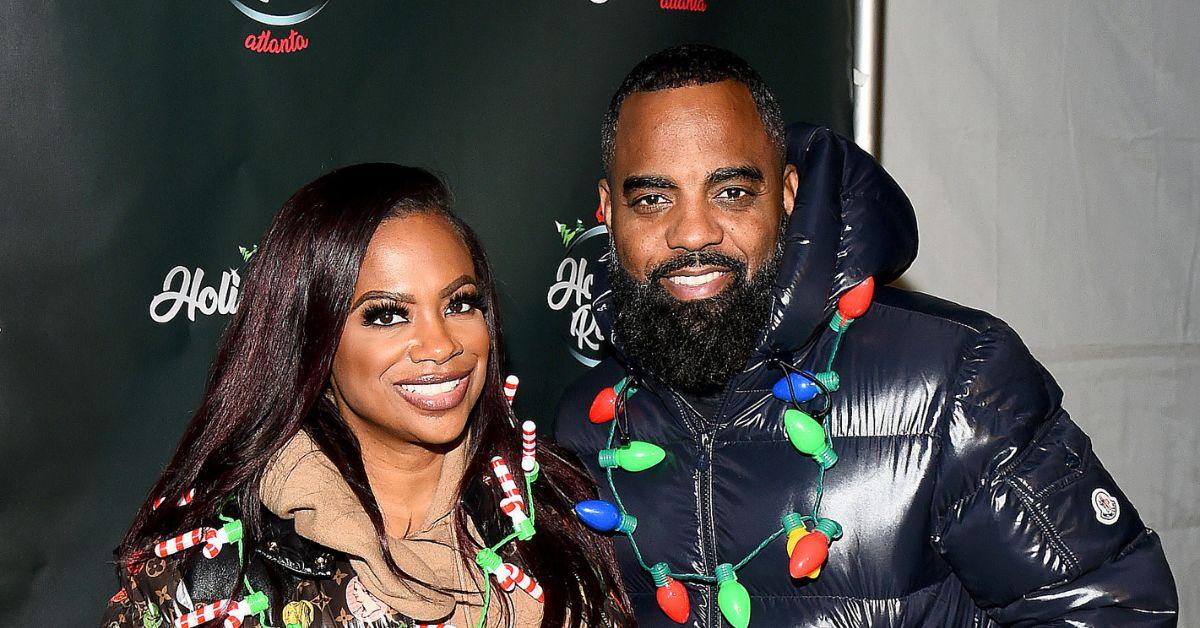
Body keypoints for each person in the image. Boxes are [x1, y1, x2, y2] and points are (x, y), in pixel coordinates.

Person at [554, 44, 1178, 627]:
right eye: (654, 200)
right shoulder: (586, 428)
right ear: (608, 212)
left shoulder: (951, 377)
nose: (694, 233)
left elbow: (1109, 609)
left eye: (733, 192)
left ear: (788, 196)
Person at [102, 164, 633, 628]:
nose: (441, 344)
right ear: (314, 341)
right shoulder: (208, 576)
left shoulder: (562, 518)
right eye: (386, 314)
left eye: (460, 303)